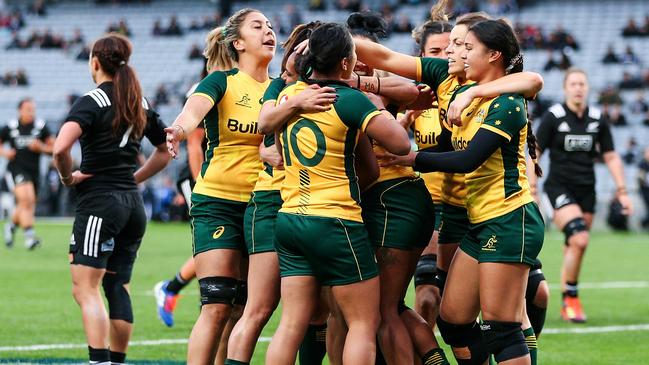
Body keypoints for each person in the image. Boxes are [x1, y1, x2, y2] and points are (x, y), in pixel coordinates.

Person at [352, 9, 545, 364]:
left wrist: (414, 159)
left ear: (492, 55)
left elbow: (468, 158)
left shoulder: (505, 101)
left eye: (462, 45)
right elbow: (384, 58)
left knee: (504, 325)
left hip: (509, 218)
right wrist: (327, 40)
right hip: (477, 218)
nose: (452, 52)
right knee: (453, 320)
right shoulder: (449, 79)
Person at [265, 22, 411, 365]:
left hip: (290, 219)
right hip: (336, 221)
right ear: (346, 63)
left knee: (290, 324)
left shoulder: (290, 96)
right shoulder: (347, 99)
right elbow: (401, 144)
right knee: (362, 322)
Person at [164, 8, 276, 364]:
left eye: (271, 26)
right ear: (238, 42)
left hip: (263, 205)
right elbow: (193, 111)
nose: (268, 31)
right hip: (218, 201)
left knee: (242, 308)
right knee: (216, 302)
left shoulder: (283, 89)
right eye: (258, 26)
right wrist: (179, 130)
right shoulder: (221, 81)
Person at [53, 33, 170, 365]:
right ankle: (116, 362)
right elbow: (164, 151)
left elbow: (60, 148)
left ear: (94, 63)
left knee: (86, 289)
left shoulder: (92, 101)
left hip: (99, 205)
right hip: (133, 206)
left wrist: (67, 177)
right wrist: (132, 179)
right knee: (118, 287)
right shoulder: (139, 101)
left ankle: (100, 362)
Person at [224, 21, 336, 365]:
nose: (301, 57)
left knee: (317, 311)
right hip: (273, 202)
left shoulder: (331, 89)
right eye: (299, 49)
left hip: (313, 207)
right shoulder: (277, 89)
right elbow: (264, 125)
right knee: (259, 308)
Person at [345, 11, 448, 365]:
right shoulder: (379, 85)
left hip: (392, 201)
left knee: (382, 309)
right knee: (393, 306)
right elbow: (413, 93)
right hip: (406, 199)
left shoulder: (362, 91)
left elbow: (392, 150)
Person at [534, 67, 632, 323]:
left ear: (587, 88)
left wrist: (622, 191)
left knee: (574, 244)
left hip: (587, 189)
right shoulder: (554, 116)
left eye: (582, 84)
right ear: (566, 88)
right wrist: (532, 187)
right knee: (579, 238)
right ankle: (572, 299)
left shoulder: (598, 118)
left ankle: (567, 300)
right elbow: (535, 152)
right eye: (573, 84)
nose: (578, 88)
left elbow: (610, 155)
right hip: (559, 187)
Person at [407, 3, 452, 332]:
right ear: (421, 56)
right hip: (429, 205)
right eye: (434, 51)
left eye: (448, 50)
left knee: (463, 309)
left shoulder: (473, 92)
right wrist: (400, 121)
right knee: (426, 297)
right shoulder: (412, 96)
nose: (442, 57)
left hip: (469, 206)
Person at [1, 98, 54, 249]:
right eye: (27, 109)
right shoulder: (11, 127)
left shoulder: (40, 127)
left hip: (34, 172)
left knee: (28, 203)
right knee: (26, 199)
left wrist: (42, 148)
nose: (31, 112)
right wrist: (5, 152)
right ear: (20, 110)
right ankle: (30, 238)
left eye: (33, 109)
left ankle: (11, 226)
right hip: (16, 169)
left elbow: (55, 147)